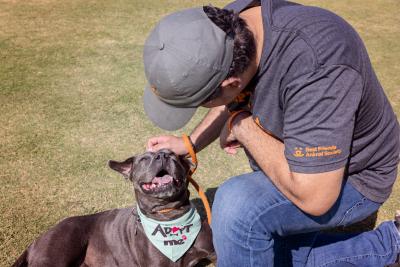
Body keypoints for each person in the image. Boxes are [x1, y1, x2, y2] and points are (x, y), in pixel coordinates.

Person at [141, 0, 400, 266]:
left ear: (231, 84)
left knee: (236, 208)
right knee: (267, 252)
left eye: (199, 101)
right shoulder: (226, 29)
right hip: (306, 163)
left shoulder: (318, 67)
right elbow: (227, 92)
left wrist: (241, 124)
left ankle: (392, 243)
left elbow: (316, 196)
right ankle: (389, 244)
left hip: (354, 177)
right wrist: (191, 142)